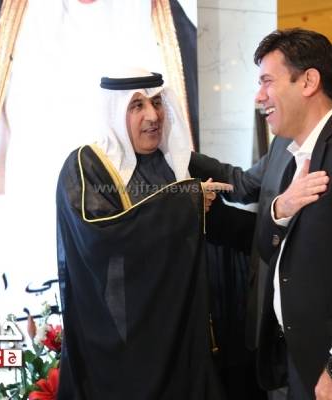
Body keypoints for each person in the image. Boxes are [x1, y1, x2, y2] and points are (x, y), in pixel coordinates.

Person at [191, 28, 332, 399]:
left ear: (309, 81)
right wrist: (280, 209)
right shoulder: (288, 153)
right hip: (301, 363)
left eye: (267, 81)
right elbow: (267, 246)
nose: (259, 96)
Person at [55, 69, 230, 399]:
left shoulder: (174, 163)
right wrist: (186, 203)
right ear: (114, 112)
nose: (153, 115)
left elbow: (238, 189)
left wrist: (280, 206)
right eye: (137, 105)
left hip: (178, 333)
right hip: (120, 348)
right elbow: (103, 234)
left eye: (157, 102)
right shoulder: (87, 166)